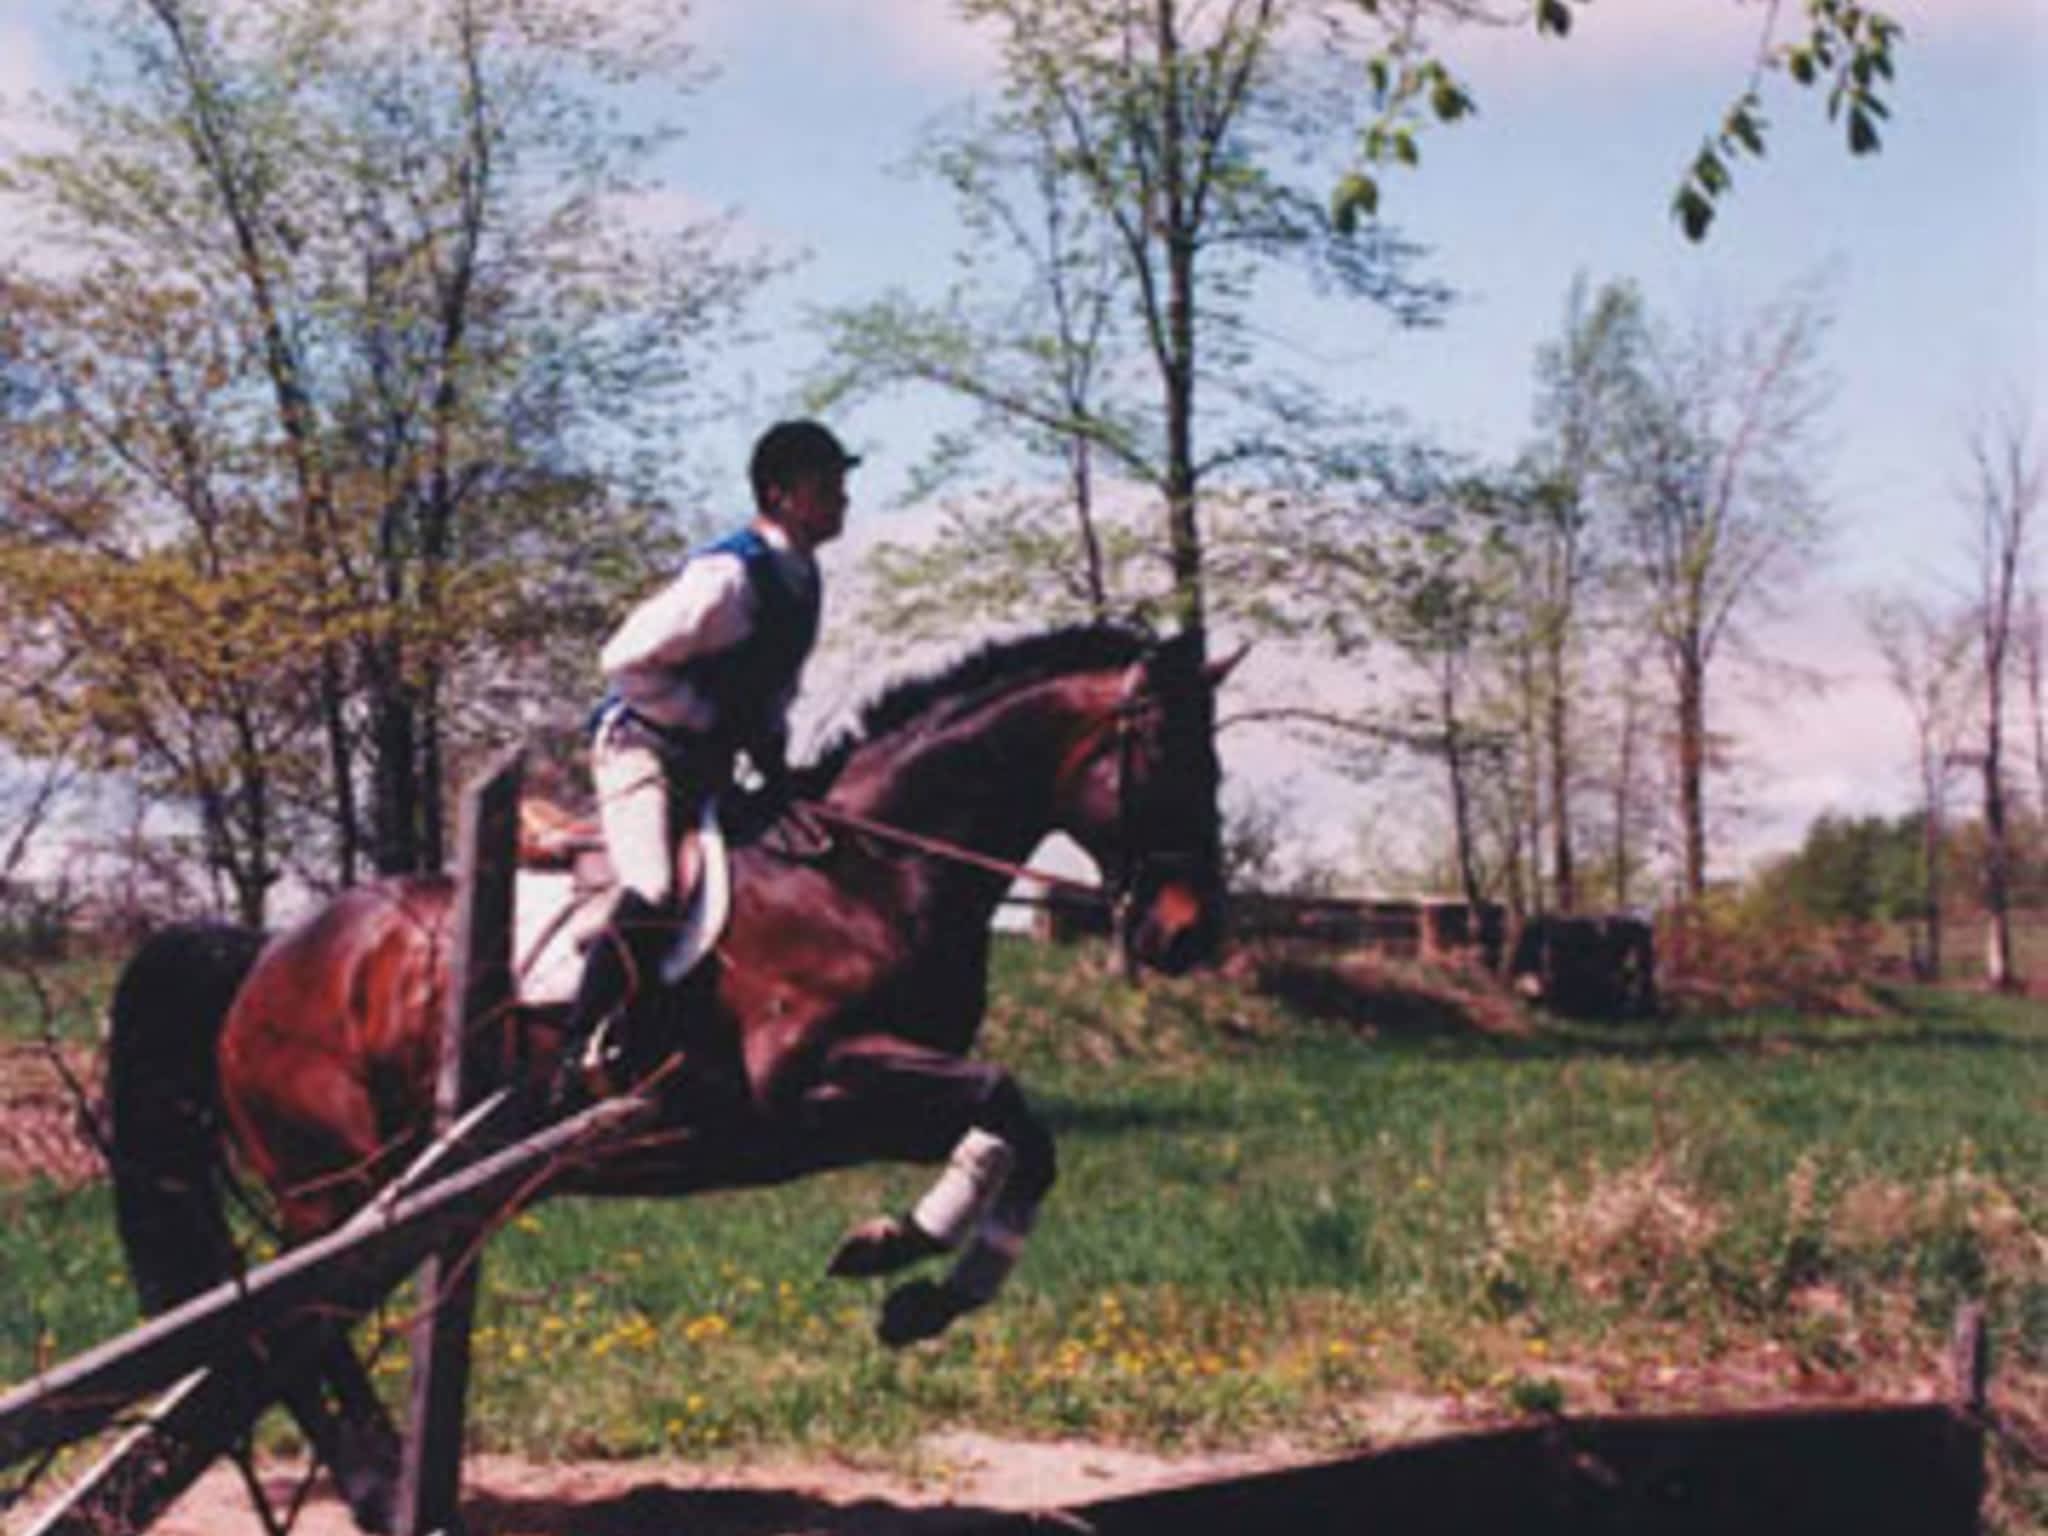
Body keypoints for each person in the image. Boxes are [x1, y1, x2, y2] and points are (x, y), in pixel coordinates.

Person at [557, 419, 857, 1103]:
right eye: (827, 486)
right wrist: (707, 720)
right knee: (656, 885)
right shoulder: (727, 576)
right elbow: (624, 659)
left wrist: (775, 761)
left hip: (710, 761)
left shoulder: (801, 574)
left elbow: (768, 685)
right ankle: (580, 1044)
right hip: (641, 748)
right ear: (781, 496)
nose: (842, 499)